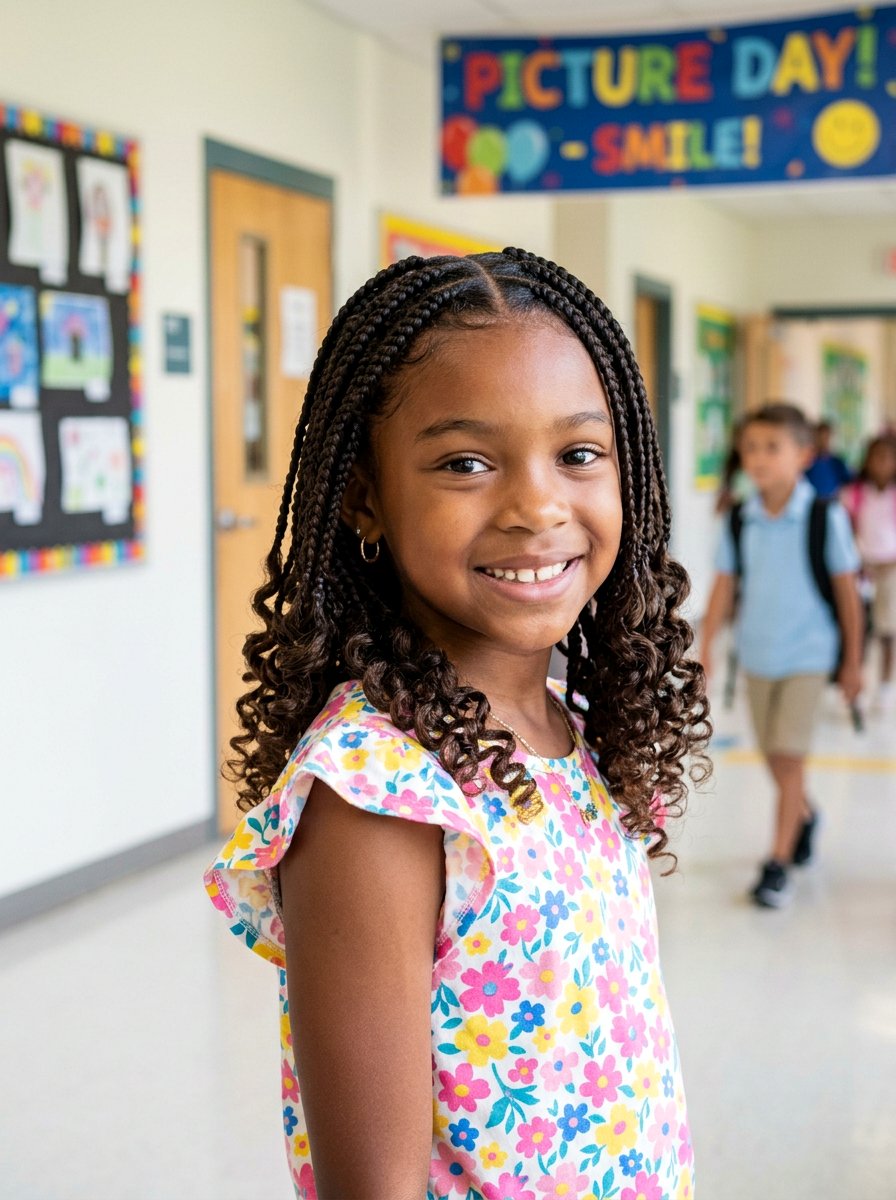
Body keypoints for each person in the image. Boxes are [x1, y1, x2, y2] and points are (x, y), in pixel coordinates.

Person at [204, 250, 711, 1200]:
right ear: (365, 496)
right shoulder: (380, 796)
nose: (537, 505)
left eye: (579, 454)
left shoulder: (574, 724)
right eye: (465, 462)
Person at [700, 403, 863, 909]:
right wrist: (704, 652)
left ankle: (776, 862)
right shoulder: (740, 519)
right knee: (774, 756)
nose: (758, 458)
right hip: (757, 655)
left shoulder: (823, 515)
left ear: (804, 455)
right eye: (750, 447)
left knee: (789, 759)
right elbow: (723, 591)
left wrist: (853, 663)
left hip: (810, 655)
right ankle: (806, 816)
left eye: (773, 447)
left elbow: (848, 595)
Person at [841, 434, 896, 711]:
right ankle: (856, 682)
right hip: (862, 569)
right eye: (876, 457)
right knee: (859, 628)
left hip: (891, 569)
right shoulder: (856, 494)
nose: (882, 463)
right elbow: (847, 528)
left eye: (887, 458)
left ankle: (886, 686)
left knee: (887, 631)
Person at [805, 418, 852, 497]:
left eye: (827, 437)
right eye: (820, 437)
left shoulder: (837, 462)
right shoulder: (808, 460)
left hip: (831, 501)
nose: (823, 441)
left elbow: (847, 482)